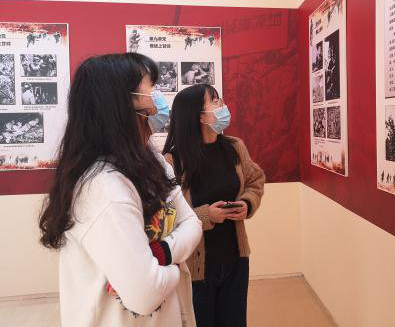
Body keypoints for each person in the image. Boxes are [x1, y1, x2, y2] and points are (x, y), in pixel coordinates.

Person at [38, 53, 202, 327]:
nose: (157, 100)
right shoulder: (103, 186)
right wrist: (176, 267)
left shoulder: (153, 160)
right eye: (150, 88)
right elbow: (145, 294)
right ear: (118, 104)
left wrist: (162, 254)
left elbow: (192, 223)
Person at [163, 84, 265, 327]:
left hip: (236, 259)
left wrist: (246, 203)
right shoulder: (173, 161)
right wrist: (205, 216)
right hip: (195, 268)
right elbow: (166, 216)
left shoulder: (235, 147)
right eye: (215, 101)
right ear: (199, 115)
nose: (223, 105)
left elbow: (255, 180)